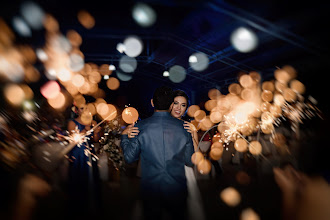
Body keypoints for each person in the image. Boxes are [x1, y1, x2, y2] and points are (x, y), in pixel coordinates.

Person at [120, 86, 195, 220]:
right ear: (171, 104)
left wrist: (125, 138)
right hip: (177, 188)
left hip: (150, 190)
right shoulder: (184, 128)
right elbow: (189, 161)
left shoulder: (140, 127)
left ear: (152, 102)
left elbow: (129, 158)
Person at [66, 104, 102, 218]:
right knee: (79, 178)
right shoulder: (72, 122)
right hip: (78, 154)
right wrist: (85, 130)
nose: (85, 110)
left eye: (87, 108)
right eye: (82, 108)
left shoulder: (93, 122)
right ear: (77, 111)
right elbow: (72, 140)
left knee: (91, 177)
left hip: (90, 153)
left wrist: (96, 132)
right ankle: (78, 208)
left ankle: (92, 206)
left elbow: (96, 140)